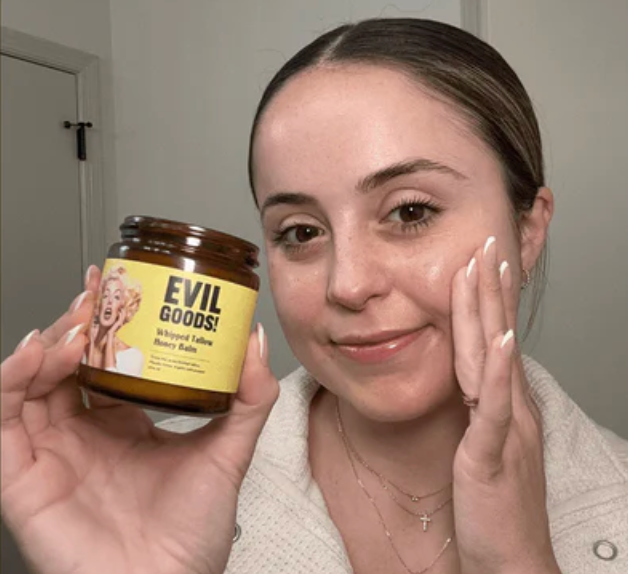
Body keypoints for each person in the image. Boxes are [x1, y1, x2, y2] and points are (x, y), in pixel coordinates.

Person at [1, 18, 627, 574]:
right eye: (300, 232)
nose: (347, 285)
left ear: (528, 229)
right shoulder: (156, 485)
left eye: (410, 211)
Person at [84, 264, 144, 376]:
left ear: (123, 307)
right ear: (99, 303)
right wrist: (91, 345)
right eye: (106, 296)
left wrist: (110, 335)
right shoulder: (82, 346)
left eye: (116, 297)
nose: (110, 301)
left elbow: (110, 380)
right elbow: (86, 380)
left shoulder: (132, 357)